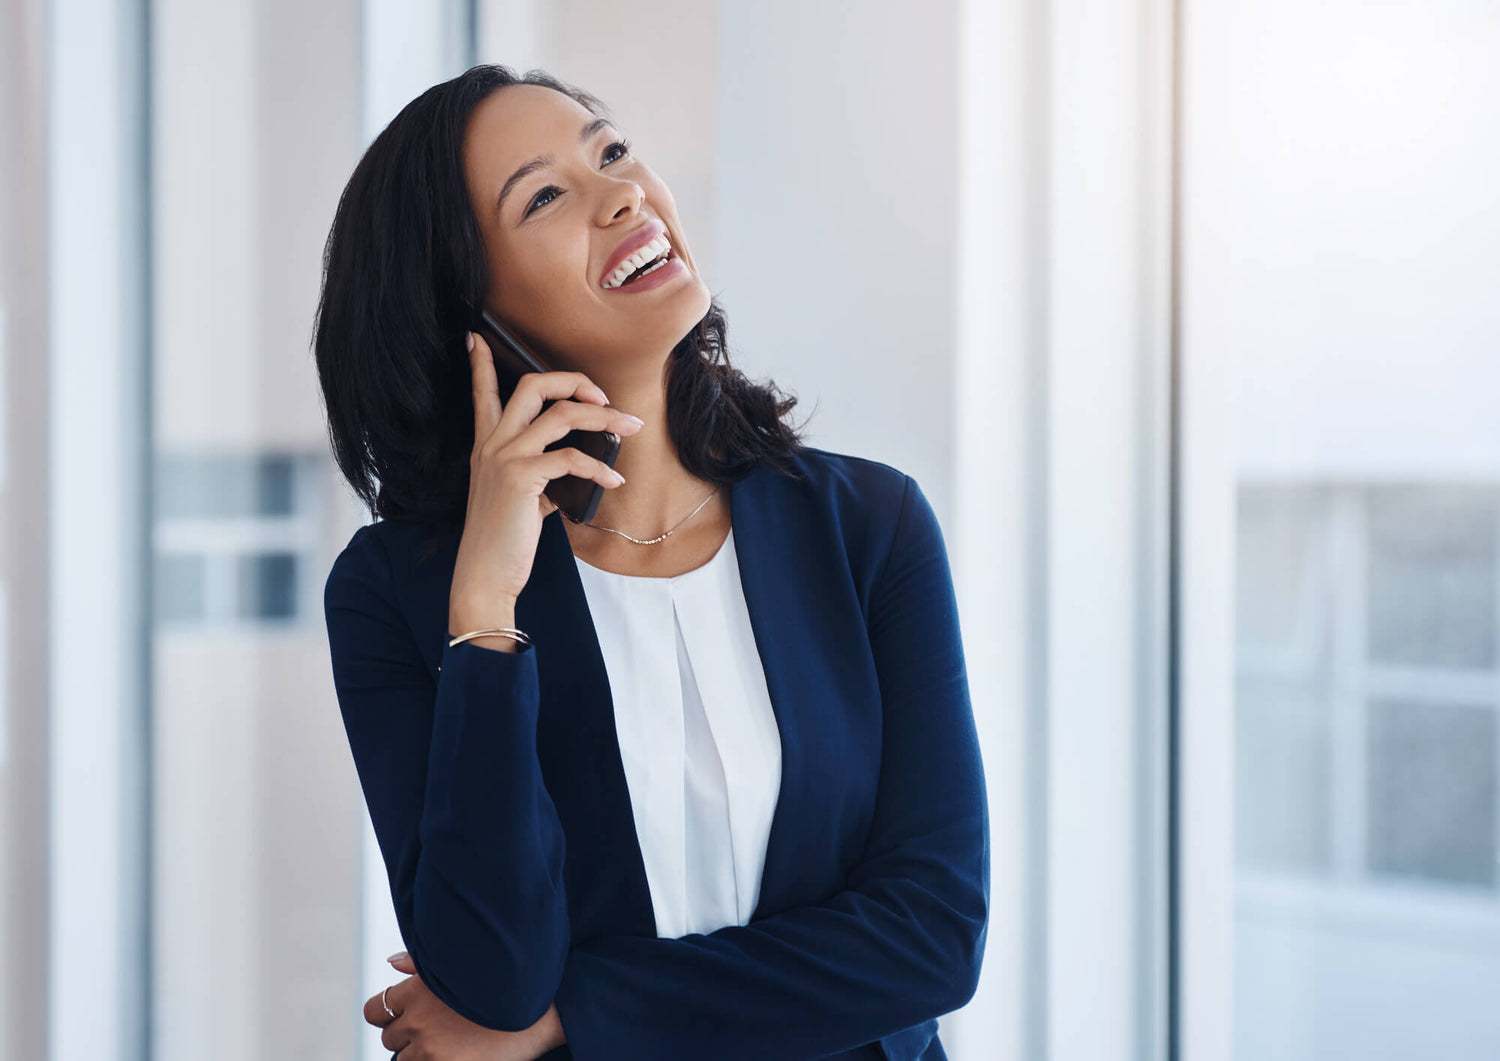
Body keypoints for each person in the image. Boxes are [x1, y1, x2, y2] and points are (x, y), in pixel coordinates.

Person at [315, 63, 989, 1061]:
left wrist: (575, 1012)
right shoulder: (397, 594)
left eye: (613, 151)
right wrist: (487, 604)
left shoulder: (869, 526)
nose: (622, 194)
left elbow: (932, 938)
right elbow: (493, 977)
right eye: (545, 196)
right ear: (468, 316)